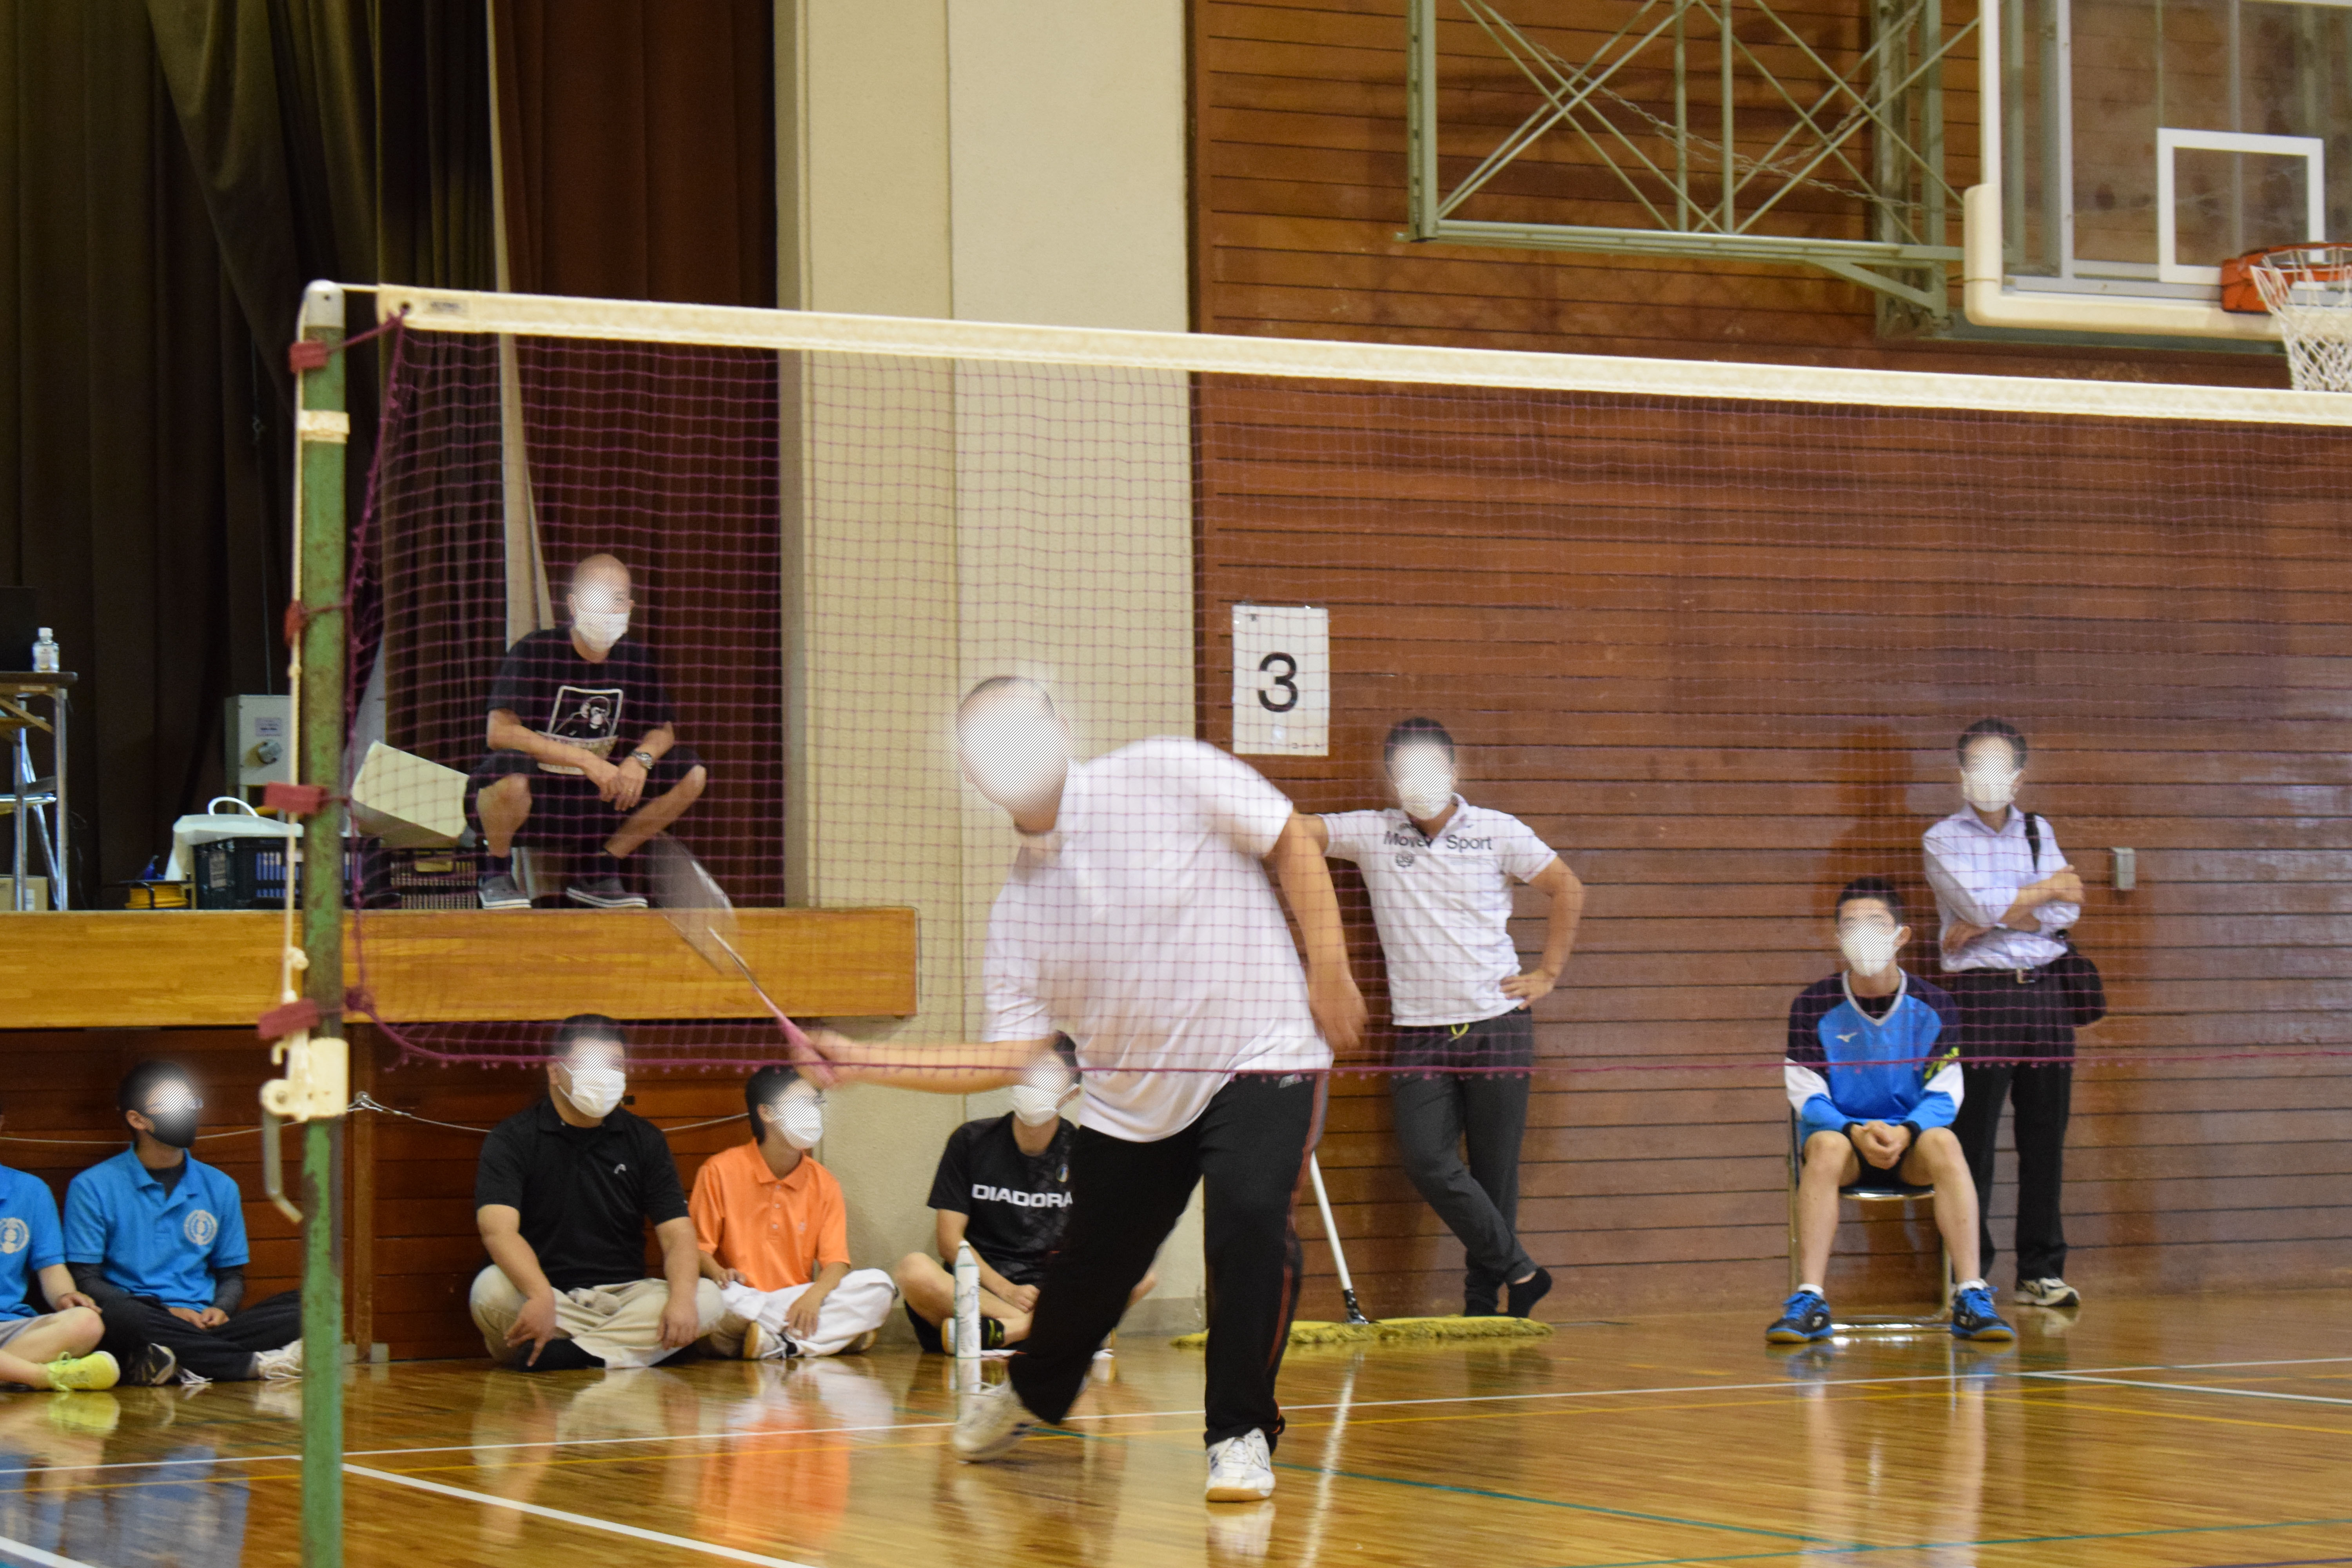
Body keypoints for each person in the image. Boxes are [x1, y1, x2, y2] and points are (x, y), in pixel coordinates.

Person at [808, 676, 1365, 1504]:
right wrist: (860, 1060)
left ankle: (1240, 1429)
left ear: (1061, 728)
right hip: (1132, 1101)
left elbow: (1290, 839)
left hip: (1263, 1050)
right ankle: (1034, 1393)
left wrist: (1330, 968)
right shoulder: (1018, 910)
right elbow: (1012, 1057)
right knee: (1094, 1265)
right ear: (977, 772)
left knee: (1250, 1215)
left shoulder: (1167, 771)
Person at [1308, 716, 1583, 1319]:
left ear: (1455, 772)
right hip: (1419, 1034)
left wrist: (1548, 975)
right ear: (1389, 779)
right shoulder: (1373, 834)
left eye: (1431, 768)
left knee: (1495, 1174)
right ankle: (1521, 1271)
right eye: (1405, 770)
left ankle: (1485, 1307)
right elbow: (1296, 834)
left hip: (1498, 1025)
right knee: (1428, 1161)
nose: (1418, 781)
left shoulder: (1497, 832)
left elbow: (1568, 888)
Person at [1771, 877, 2013, 1344]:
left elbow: (1945, 1091)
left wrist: (1909, 1130)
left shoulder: (1935, 1005)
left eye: (1875, 924)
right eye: (1851, 926)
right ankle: (1810, 1299)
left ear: (1902, 935)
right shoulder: (1813, 1005)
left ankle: (1970, 1294)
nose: (1863, 934)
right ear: (1837, 938)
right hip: (1845, 1146)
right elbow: (1806, 1092)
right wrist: (1853, 1130)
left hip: (1911, 1147)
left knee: (1946, 1140)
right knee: (1821, 1144)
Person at [1922, 718, 2085, 1310]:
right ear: (1962, 774)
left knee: (2047, 1137)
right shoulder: (1942, 838)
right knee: (1975, 1139)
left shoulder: (2040, 831)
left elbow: (2069, 909)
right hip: (1981, 999)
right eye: (1976, 766)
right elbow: (1976, 903)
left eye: (2000, 768)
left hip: (2046, 994)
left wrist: (1997, 914)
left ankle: (2041, 1270)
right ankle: (1972, 1274)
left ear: (2018, 777)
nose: (1988, 779)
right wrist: (2037, 895)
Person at [470, 1014, 726, 1370]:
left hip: (624, 1296)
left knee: (709, 1298)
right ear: (555, 1072)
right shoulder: (512, 1138)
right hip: (545, 1295)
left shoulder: (645, 1139)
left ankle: (574, 1354)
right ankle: (636, 1348)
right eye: (591, 1065)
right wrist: (540, 1294)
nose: (605, 1075)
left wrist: (681, 1302)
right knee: (489, 1291)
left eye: (614, 1065)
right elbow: (497, 1230)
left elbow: (678, 1233)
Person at [471, 554, 708, 910]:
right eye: (596, 596)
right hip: (537, 799)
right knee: (508, 770)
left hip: (598, 802)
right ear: (574, 603)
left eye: (616, 598)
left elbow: (663, 731)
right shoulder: (536, 650)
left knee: (692, 773)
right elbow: (499, 732)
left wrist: (640, 761)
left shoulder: (635, 659)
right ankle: (496, 871)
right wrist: (585, 760)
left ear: (629, 605)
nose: (607, 607)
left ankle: (600, 868)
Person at [893, 1045, 1155, 1351]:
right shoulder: (971, 1141)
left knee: (1143, 1272)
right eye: (1030, 1074)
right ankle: (1057, 1333)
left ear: (1071, 1093)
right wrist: (1005, 1291)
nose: (1035, 1084)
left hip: (1052, 1291)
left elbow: (1096, 1247)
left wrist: (1059, 1295)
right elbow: (950, 1241)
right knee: (913, 1269)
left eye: (1049, 1078)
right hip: (981, 1290)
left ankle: (1001, 1334)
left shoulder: (1087, 1154)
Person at [65, 1063, 301, 1383]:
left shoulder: (220, 1186)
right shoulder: (92, 1186)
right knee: (120, 1315)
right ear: (138, 1119)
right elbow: (86, 1279)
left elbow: (231, 1274)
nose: (186, 1113)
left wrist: (221, 1309)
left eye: (190, 1103)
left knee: (309, 1304)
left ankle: (178, 1363)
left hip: (204, 1320)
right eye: (172, 1105)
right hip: (142, 1316)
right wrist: (169, 1315)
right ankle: (249, 1366)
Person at [692, 1065, 896, 1359]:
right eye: (801, 1104)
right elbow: (698, 1250)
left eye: (815, 1103)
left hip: (797, 1299)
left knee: (879, 1286)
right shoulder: (719, 1171)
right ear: (767, 1113)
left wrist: (813, 1298)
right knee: (709, 1298)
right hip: (741, 1296)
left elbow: (836, 1262)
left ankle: (775, 1343)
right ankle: (823, 1339)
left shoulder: (824, 1183)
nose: (813, 1112)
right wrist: (720, 1273)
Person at [0, 1101, 123, 1392]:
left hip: (12, 1330)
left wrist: (65, 1296)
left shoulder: (30, 1191)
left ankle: (13, 1372)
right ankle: (43, 1377)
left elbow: (52, 1269)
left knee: (87, 1323)